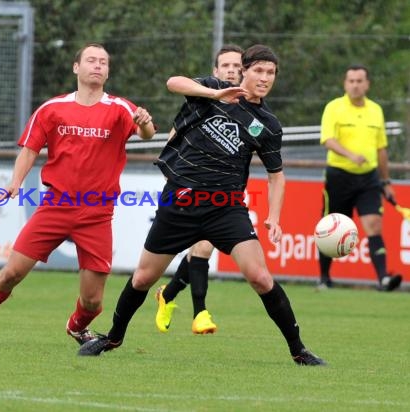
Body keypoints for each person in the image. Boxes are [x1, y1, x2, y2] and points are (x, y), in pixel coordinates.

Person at [78, 44, 326, 366]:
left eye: (271, 73)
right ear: (244, 70)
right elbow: (173, 82)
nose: (264, 78)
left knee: (261, 278)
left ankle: (299, 350)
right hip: (179, 200)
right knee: (142, 278)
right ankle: (112, 337)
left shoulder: (268, 124)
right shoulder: (212, 89)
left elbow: (276, 176)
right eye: (258, 71)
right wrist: (213, 96)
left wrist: (274, 218)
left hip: (225, 208)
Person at [0, 43, 155, 347]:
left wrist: (145, 125)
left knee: (93, 302)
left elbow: (145, 133)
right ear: (76, 67)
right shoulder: (53, 108)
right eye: (91, 60)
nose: (97, 66)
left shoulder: (121, 109)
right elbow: (29, 150)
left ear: (107, 72)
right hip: (56, 205)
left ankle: (77, 326)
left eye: (103, 62)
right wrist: (16, 182)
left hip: (96, 212)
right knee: (11, 273)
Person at [156, 44, 244, 335]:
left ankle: (188, 307)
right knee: (198, 247)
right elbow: (176, 126)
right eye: (226, 65)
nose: (231, 70)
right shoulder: (205, 92)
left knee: (203, 246)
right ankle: (184, 304)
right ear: (215, 71)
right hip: (185, 183)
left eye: (236, 65)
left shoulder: (246, 105)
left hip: (220, 186)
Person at [318, 64, 403, 291]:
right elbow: (327, 139)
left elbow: (381, 149)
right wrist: (350, 155)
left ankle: (383, 279)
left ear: (367, 84)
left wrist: (386, 182)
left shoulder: (376, 110)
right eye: (351, 81)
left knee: (374, 225)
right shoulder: (334, 107)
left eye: (359, 81)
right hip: (339, 177)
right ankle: (324, 279)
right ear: (345, 84)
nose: (355, 85)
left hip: (369, 179)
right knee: (331, 229)